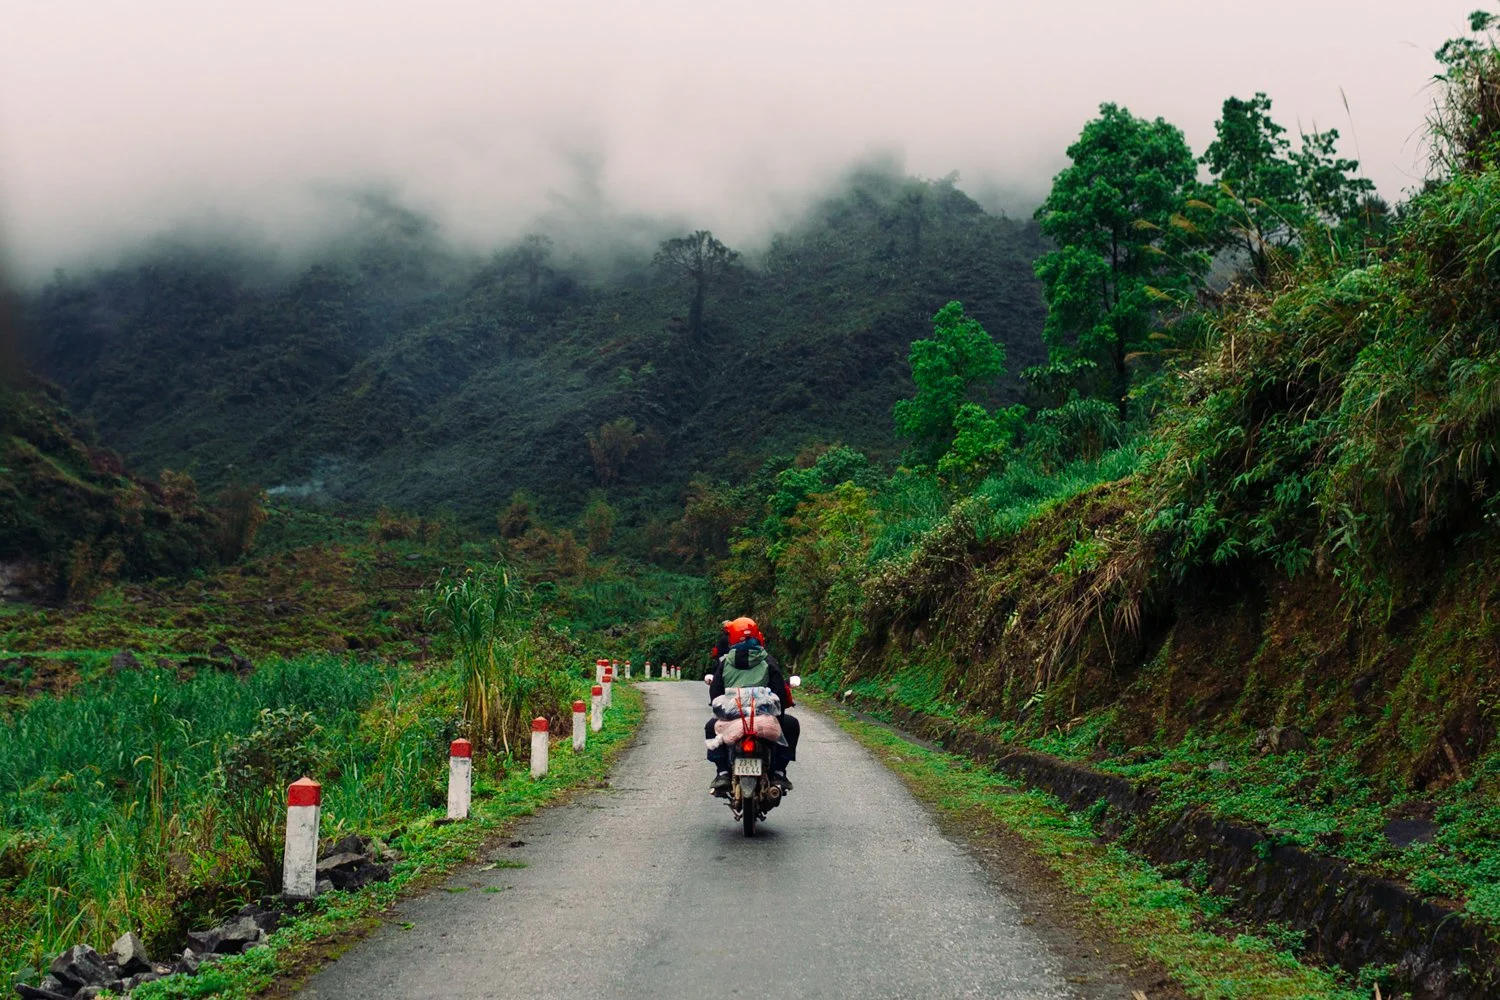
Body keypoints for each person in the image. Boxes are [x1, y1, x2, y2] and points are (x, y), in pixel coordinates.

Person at [705, 616, 800, 796]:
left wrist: (723, 709)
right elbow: (779, 691)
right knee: (791, 725)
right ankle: (779, 773)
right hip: (763, 719)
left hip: (734, 718)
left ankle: (723, 773)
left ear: (731, 638)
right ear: (758, 636)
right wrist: (777, 715)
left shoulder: (725, 663)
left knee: (711, 727)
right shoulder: (767, 660)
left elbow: (716, 693)